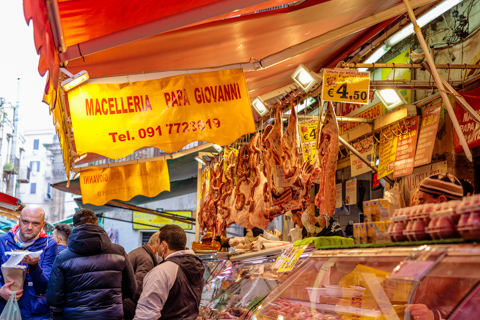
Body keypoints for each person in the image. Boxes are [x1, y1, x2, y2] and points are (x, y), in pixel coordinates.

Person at [46, 209, 136, 320]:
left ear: (74, 227)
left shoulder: (62, 258)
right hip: (111, 316)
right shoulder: (119, 252)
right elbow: (131, 289)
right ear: (97, 223)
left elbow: (54, 298)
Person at [134, 225, 205, 320]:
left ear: (164, 246)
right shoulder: (197, 267)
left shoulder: (162, 271)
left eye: (158, 243)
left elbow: (146, 314)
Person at [0, 205, 57, 320]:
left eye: (35, 223)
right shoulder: (3, 241)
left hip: (37, 314)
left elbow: (44, 287)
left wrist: (34, 266)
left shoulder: (49, 245)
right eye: (25, 221)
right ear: (19, 220)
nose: (29, 227)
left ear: (43, 224)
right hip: (6, 310)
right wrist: (0, 291)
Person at [123, 231, 161, 320]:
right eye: (162, 245)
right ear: (157, 243)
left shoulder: (140, 252)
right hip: (129, 304)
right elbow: (139, 288)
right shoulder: (146, 259)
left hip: (124, 301)